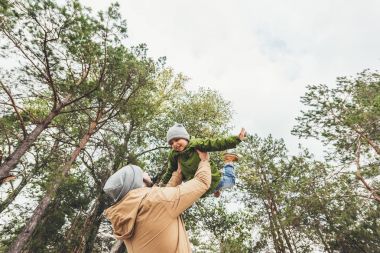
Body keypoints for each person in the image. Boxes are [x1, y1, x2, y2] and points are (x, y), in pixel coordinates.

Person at [103, 150, 211, 253]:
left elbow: (161, 202)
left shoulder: (125, 214)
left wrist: (177, 175)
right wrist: (204, 160)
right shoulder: (157, 200)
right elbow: (202, 182)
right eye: (142, 172)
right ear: (138, 180)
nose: (146, 173)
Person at [160, 123, 246, 196]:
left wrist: (235, 140)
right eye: (171, 143)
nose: (175, 144)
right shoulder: (174, 155)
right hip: (198, 187)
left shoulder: (196, 144)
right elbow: (170, 171)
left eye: (177, 139)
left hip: (212, 180)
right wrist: (162, 185)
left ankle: (229, 161)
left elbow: (215, 143)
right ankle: (216, 190)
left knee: (231, 182)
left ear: (186, 138)